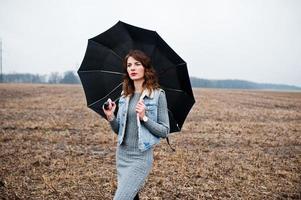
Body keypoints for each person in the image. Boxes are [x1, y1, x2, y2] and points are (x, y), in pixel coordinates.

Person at [102, 49, 170, 200]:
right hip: (122, 155)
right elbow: (119, 130)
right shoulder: (125, 96)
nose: (132, 68)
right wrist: (111, 116)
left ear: (146, 68)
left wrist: (144, 117)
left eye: (137, 64)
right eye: (129, 65)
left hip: (140, 157)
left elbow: (165, 131)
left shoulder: (158, 95)